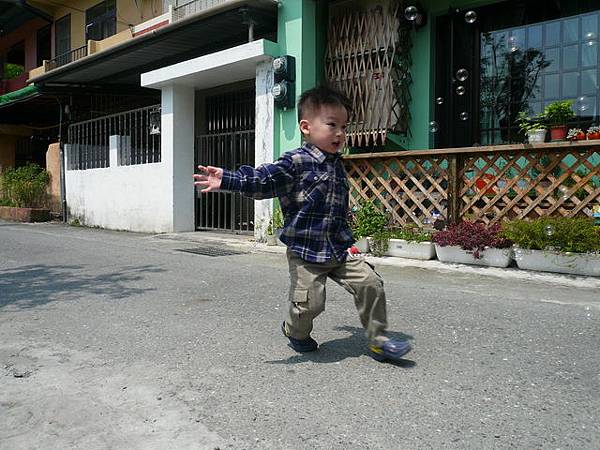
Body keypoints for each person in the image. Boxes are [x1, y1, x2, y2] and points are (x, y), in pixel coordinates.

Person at [193, 86, 411, 362]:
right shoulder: (295, 161)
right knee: (309, 304)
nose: (340, 133)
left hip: (338, 250)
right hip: (305, 253)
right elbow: (263, 181)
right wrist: (229, 180)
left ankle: (379, 341)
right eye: (332, 125)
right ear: (306, 127)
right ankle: (294, 331)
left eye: (344, 126)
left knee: (371, 283)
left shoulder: (335, 164)